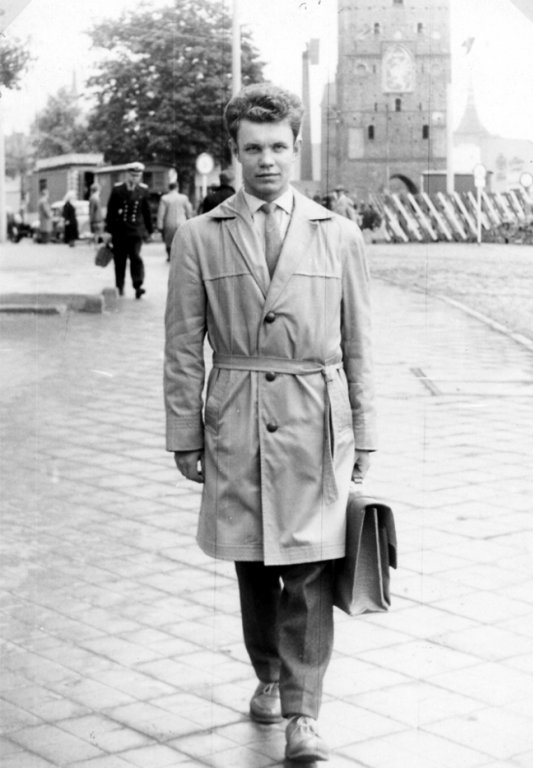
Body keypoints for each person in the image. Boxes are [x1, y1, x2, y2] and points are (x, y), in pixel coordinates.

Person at [164, 83, 376, 763]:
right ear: (232, 154)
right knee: (254, 567)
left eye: (279, 146)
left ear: (295, 147)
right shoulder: (200, 237)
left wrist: (365, 431)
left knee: (311, 567)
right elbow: (181, 345)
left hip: (317, 419)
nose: (267, 160)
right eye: (252, 148)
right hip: (236, 417)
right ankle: (269, 673)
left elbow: (359, 343)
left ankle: (302, 713)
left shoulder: (337, 234)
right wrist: (185, 434)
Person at [105, 162, 153, 298]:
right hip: (119, 231)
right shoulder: (117, 190)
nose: (134, 178)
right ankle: (119, 287)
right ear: (127, 175)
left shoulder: (143, 190)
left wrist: (150, 230)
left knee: (136, 258)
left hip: (135, 231)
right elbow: (111, 212)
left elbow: (146, 212)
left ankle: (138, 285)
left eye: (137, 176)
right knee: (119, 260)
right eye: (132, 175)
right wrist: (108, 231)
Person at [156, 182, 193, 262]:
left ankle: (170, 256)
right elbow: (188, 211)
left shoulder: (164, 198)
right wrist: (190, 220)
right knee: (181, 240)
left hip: (169, 223)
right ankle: (180, 256)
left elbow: (161, 213)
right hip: (182, 222)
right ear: (177, 188)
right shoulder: (184, 198)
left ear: (169, 188)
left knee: (168, 241)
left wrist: (160, 226)